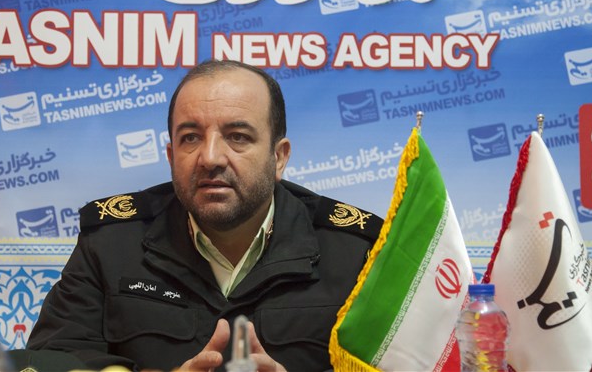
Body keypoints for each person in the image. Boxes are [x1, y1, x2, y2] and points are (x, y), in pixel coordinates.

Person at [24, 60, 382, 372]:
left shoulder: (355, 253)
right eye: (191, 137)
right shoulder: (110, 244)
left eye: (237, 136)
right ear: (171, 156)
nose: (210, 158)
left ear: (279, 157)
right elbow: (52, 360)